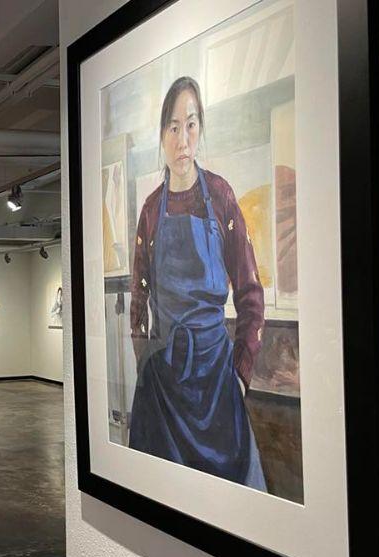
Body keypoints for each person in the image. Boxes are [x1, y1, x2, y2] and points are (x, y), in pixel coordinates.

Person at [128, 76, 267, 491]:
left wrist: (240, 372)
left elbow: (251, 294)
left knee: (232, 502)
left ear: (200, 128)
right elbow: (138, 300)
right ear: (162, 135)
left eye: (190, 124)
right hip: (164, 388)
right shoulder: (151, 211)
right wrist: (147, 363)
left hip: (218, 381)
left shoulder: (221, 197)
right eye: (173, 127)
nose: (182, 140)